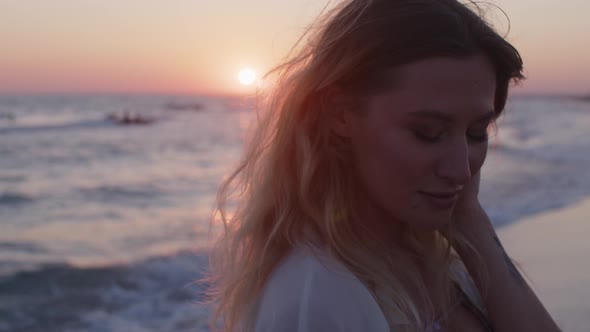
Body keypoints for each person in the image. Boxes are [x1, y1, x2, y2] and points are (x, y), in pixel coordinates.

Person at [205, 0, 562, 331]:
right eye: (428, 133)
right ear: (339, 114)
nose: (461, 170)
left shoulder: (428, 258)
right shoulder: (320, 295)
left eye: (476, 132)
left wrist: (471, 222)